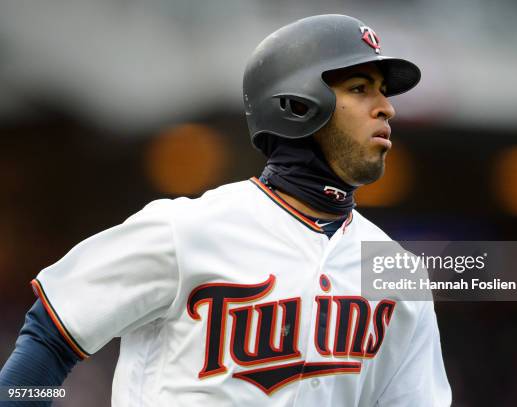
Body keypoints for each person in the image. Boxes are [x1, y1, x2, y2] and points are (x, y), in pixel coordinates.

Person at [0, 14, 451, 406]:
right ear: (296, 103)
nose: (387, 108)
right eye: (360, 88)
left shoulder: (398, 273)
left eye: (383, 93)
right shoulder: (186, 229)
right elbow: (50, 337)